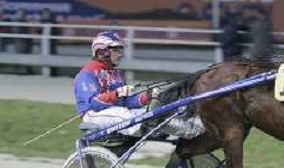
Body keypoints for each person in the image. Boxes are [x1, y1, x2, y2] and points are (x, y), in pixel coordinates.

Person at [74, 30, 205, 139]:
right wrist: (118, 94)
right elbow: (94, 104)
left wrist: (147, 97)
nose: (120, 54)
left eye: (121, 50)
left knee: (155, 114)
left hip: (119, 112)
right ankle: (151, 129)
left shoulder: (115, 73)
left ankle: (194, 131)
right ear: (102, 51)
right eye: (116, 49)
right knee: (126, 114)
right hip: (93, 115)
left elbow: (126, 102)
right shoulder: (87, 73)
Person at [13, 8, 33, 74]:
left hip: (26, 42)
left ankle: (27, 70)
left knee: (27, 56)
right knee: (19, 56)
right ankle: (17, 70)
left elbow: (28, 31)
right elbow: (18, 32)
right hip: (20, 42)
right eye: (20, 13)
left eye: (23, 13)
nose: (22, 14)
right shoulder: (17, 22)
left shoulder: (25, 22)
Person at [40, 8, 59, 76]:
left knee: (53, 57)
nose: (46, 15)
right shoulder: (41, 22)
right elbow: (38, 31)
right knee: (43, 57)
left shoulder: (54, 22)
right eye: (45, 13)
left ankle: (54, 72)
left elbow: (57, 32)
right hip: (43, 44)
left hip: (52, 43)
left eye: (47, 13)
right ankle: (45, 71)